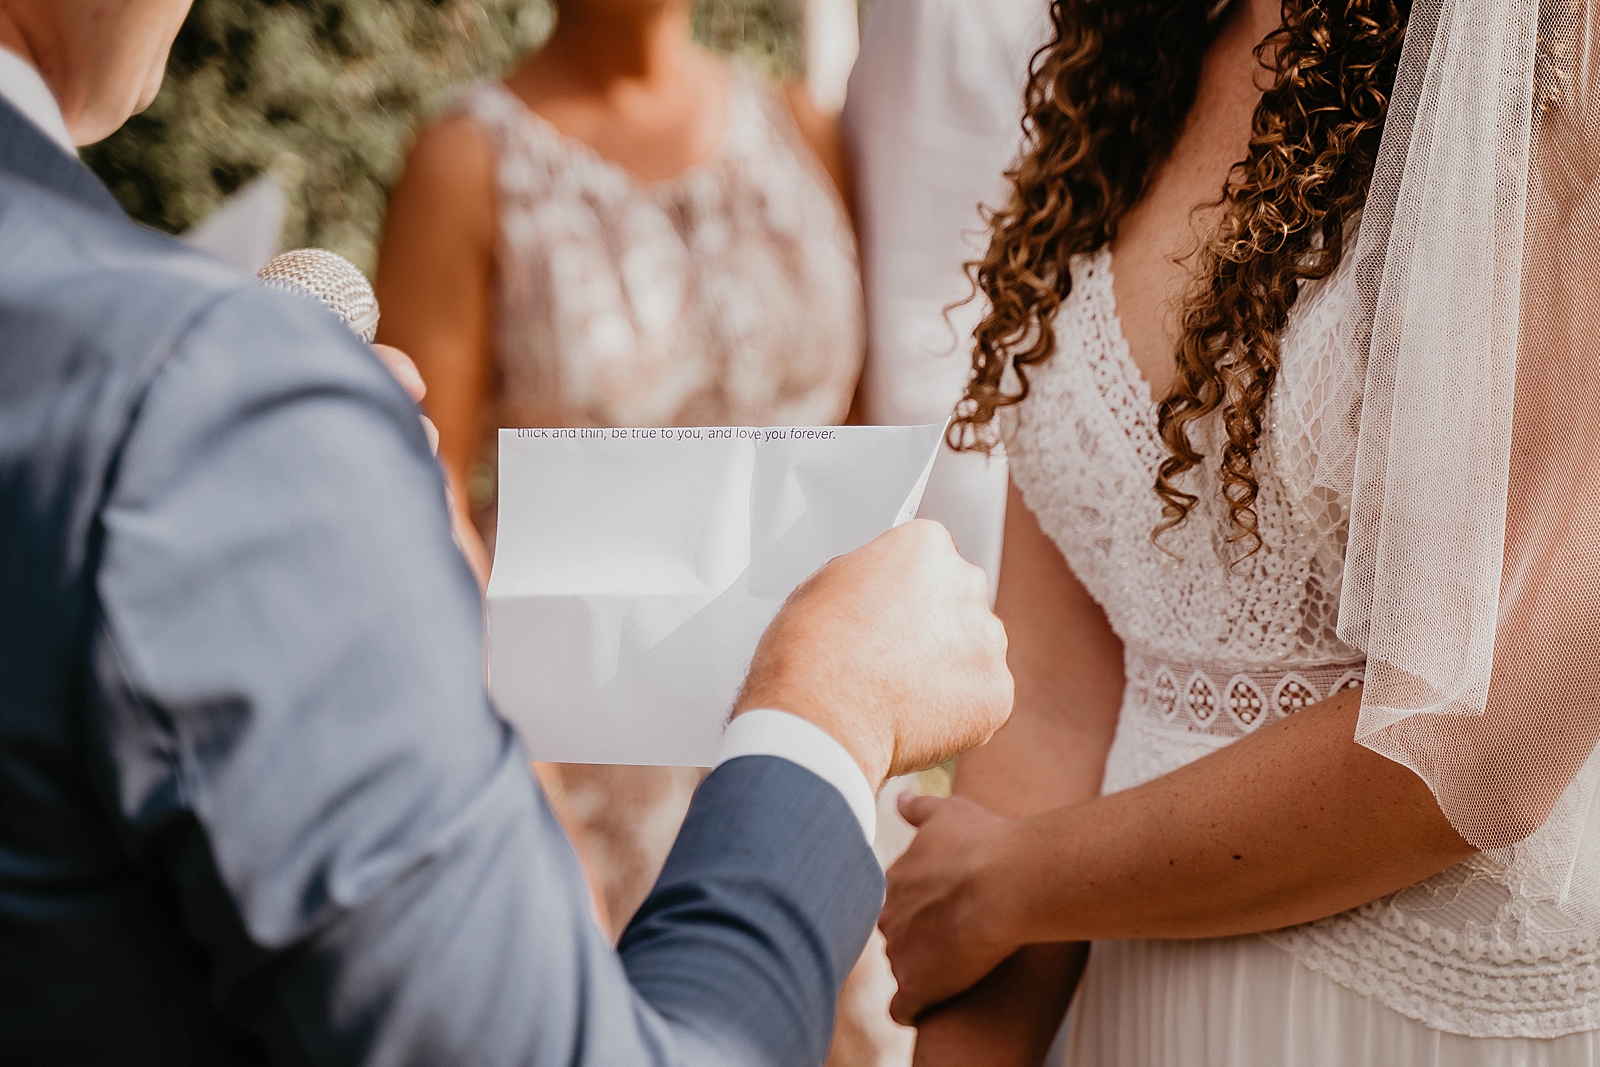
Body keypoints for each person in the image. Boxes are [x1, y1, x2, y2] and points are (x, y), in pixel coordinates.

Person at [0, 2, 1014, 1064]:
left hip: (792, 753)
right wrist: (830, 712)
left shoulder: (799, 124)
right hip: (585, 774)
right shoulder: (217, 377)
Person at [877, 0, 1600, 1064]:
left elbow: (1488, 740)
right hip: (1132, 1011)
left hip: (1410, 1025)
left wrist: (1019, 880)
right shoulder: (1137, 55)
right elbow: (1056, 705)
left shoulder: (1552, 56)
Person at [372, 0, 865, 944]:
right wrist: (526, 805)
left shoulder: (801, 127)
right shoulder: (470, 162)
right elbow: (418, 508)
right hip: (588, 780)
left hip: (812, 736)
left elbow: (865, 437)